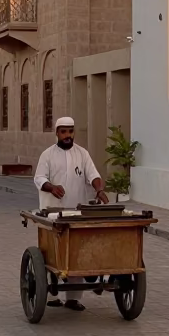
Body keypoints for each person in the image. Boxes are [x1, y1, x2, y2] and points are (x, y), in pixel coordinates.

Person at [34, 117, 109, 312]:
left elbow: (93, 175)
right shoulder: (47, 155)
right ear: (57, 133)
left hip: (76, 212)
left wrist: (99, 190)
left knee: (76, 252)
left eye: (70, 131)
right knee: (54, 254)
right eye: (63, 132)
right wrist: (51, 187)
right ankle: (53, 295)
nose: (68, 135)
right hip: (53, 214)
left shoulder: (82, 154)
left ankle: (73, 299)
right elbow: (39, 177)